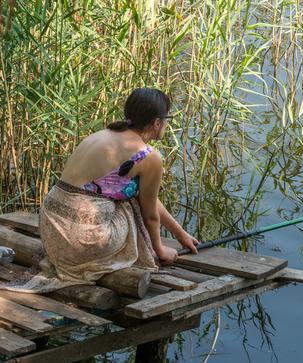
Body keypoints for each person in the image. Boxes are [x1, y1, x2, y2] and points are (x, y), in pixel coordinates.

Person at [36, 88, 199, 286]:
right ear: (157, 122)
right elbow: (150, 213)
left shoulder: (101, 135)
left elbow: (149, 199)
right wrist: (159, 249)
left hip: (51, 231)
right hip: (82, 240)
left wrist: (181, 234)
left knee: (129, 193)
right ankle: (138, 255)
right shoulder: (148, 156)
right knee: (129, 202)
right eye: (167, 119)